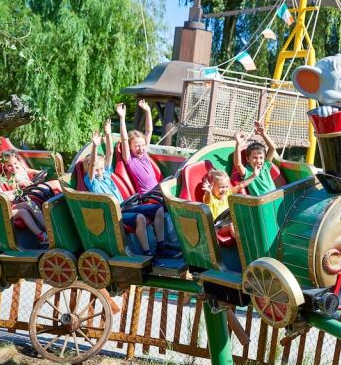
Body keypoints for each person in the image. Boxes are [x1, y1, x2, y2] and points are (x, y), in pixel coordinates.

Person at [84, 118, 179, 258]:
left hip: (126, 206)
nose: (100, 172)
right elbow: (92, 165)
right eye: (97, 170)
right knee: (140, 217)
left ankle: (161, 245)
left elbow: (110, 153)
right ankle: (147, 253)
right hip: (114, 213)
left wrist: (108, 134)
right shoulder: (91, 181)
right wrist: (95, 146)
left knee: (158, 209)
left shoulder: (107, 174)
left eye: (101, 169)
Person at [0, 161, 49, 245]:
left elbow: (2, 194)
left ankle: (48, 228)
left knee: (31, 203)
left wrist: (15, 191)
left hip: (6, 207)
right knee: (22, 212)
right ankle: (41, 235)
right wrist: (9, 199)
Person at [202, 169, 258, 239]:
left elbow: (240, 185)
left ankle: (253, 236)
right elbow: (207, 198)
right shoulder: (211, 198)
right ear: (212, 186)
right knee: (232, 224)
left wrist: (253, 176)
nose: (224, 190)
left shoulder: (227, 193)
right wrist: (208, 191)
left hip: (229, 220)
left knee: (246, 217)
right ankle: (242, 241)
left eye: (226, 187)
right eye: (221, 187)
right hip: (218, 227)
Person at [117, 100, 158, 194]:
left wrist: (148, 111)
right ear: (130, 147)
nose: (141, 148)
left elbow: (149, 131)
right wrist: (122, 118)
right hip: (147, 196)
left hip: (158, 192)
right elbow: (124, 139)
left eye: (143, 145)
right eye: (137, 146)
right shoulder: (129, 159)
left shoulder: (144, 154)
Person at [233, 120, 278, 196]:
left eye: (261, 158)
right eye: (255, 158)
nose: (258, 161)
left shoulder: (265, 166)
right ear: (248, 159)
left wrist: (263, 134)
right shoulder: (248, 172)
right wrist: (238, 144)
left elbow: (272, 148)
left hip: (275, 197)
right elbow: (238, 164)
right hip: (262, 203)